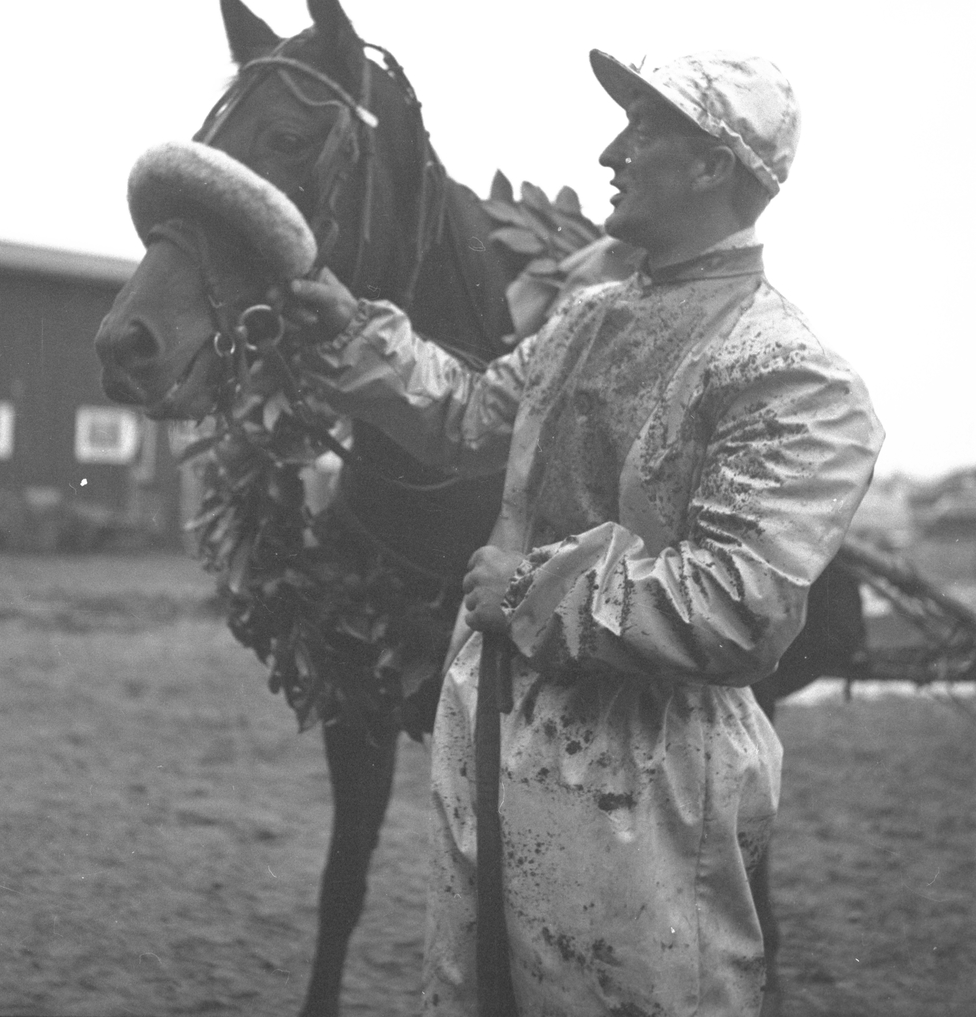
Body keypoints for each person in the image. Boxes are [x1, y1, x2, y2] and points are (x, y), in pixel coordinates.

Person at [285, 50, 884, 1016]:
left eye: (643, 132)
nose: (611, 150)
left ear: (712, 167)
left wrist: (526, 592)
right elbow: (468, 415)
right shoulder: (586, 318)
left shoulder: (792, 378)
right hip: (489, 735)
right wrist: (349, 328)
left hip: (647, 776)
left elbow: (738, 609)